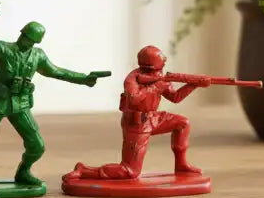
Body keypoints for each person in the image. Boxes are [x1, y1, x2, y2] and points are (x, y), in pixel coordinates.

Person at [0, 2, 109, 187]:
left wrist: (83, 78)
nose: (24, 40)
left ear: (35, 42)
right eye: (24, 35)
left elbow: (57, 72)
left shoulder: (38, 56)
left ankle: (24, 172)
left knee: (37, 145)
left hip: (20, 104)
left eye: (29, 38)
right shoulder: (4, 49)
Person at [64, 45, 207, 180]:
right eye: (161, 64)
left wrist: (193, 84)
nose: (163, 66)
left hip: (153, 117)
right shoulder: (132, 79)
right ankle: (84, 170)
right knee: (130, 171)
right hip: (137, 123)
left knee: (182, 123)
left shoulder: (158, 76)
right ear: (150, 66)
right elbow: (134, 100)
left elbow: (175, 98)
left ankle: (181, 165)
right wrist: (155, 87)